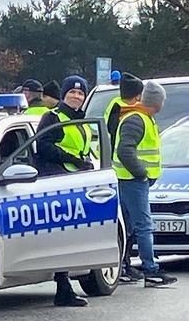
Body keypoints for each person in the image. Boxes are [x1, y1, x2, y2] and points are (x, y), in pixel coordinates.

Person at [36, 75, 93, 307]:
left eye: (80, 94)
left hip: (77, 182)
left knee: (71, 237)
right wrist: (71, 161)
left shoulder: (83, 122)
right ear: (64, 94)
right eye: (73, 92)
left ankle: (68, 284)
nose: (77, 97)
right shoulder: (53, 117)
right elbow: (43, 147)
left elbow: (86, 151)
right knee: (61, 236)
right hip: (57, 182)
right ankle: (63, 286)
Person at [114, 81, 177, 287]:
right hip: (132, 181)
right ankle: (151, 271)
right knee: (144, 226)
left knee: (130, 226)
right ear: (157, 101)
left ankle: (123, 267)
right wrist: (141, 174)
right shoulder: (137, 119)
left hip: (131, 181)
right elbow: (125, 151)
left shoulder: (142, 118)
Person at [103, 73, 144, 283]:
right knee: (127, 222)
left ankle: (124, 263)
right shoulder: (123, 109)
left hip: (116, 170)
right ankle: (124, 264)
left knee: (128, 221)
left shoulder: (114, 105)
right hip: (122, 172)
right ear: (137, 94)